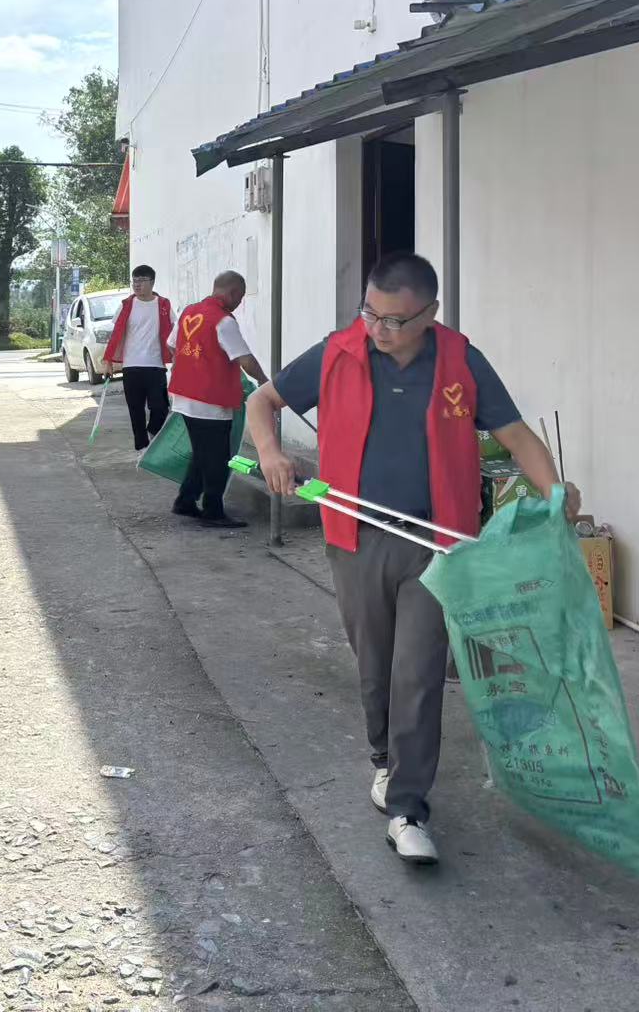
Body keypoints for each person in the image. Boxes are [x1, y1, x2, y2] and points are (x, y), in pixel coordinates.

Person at [245, 252, 580, 868]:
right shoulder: (338, 352)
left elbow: (515, 435)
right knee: (374, 666)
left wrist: (556, 490)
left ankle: (407, 809)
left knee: (418, 673)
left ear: (430, 314)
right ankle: (384, 760)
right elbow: (261, 402)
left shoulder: (460, 361)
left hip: (437, 541)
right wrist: (270, 452)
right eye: (371, 314)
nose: (380, 329)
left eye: (396, 320)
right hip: (356, 536)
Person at [165, 270, 268, 529]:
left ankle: (185, 501)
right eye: (240, 298)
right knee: (218, 458)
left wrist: (191, 365)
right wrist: (266, 382)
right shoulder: (223, 320)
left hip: (184, 396)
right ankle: (213, 511)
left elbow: (171, 344)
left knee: (202, 454)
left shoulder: (189, 312)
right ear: (233, 292)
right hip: (210, 401)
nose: (239, 303)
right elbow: (245, 360)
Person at [102, 264, 173, 450]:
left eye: (141, 280)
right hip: (131, 366)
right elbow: (115, 335)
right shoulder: (126, 305)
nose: (137, 284)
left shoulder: (163, 305)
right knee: (136, 411)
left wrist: (179, 358)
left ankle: (152, 431)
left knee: (160, 408)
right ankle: (141, 448)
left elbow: (173, 334)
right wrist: (108, 361)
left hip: (155, 365)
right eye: (134, 281)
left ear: (152, 282)